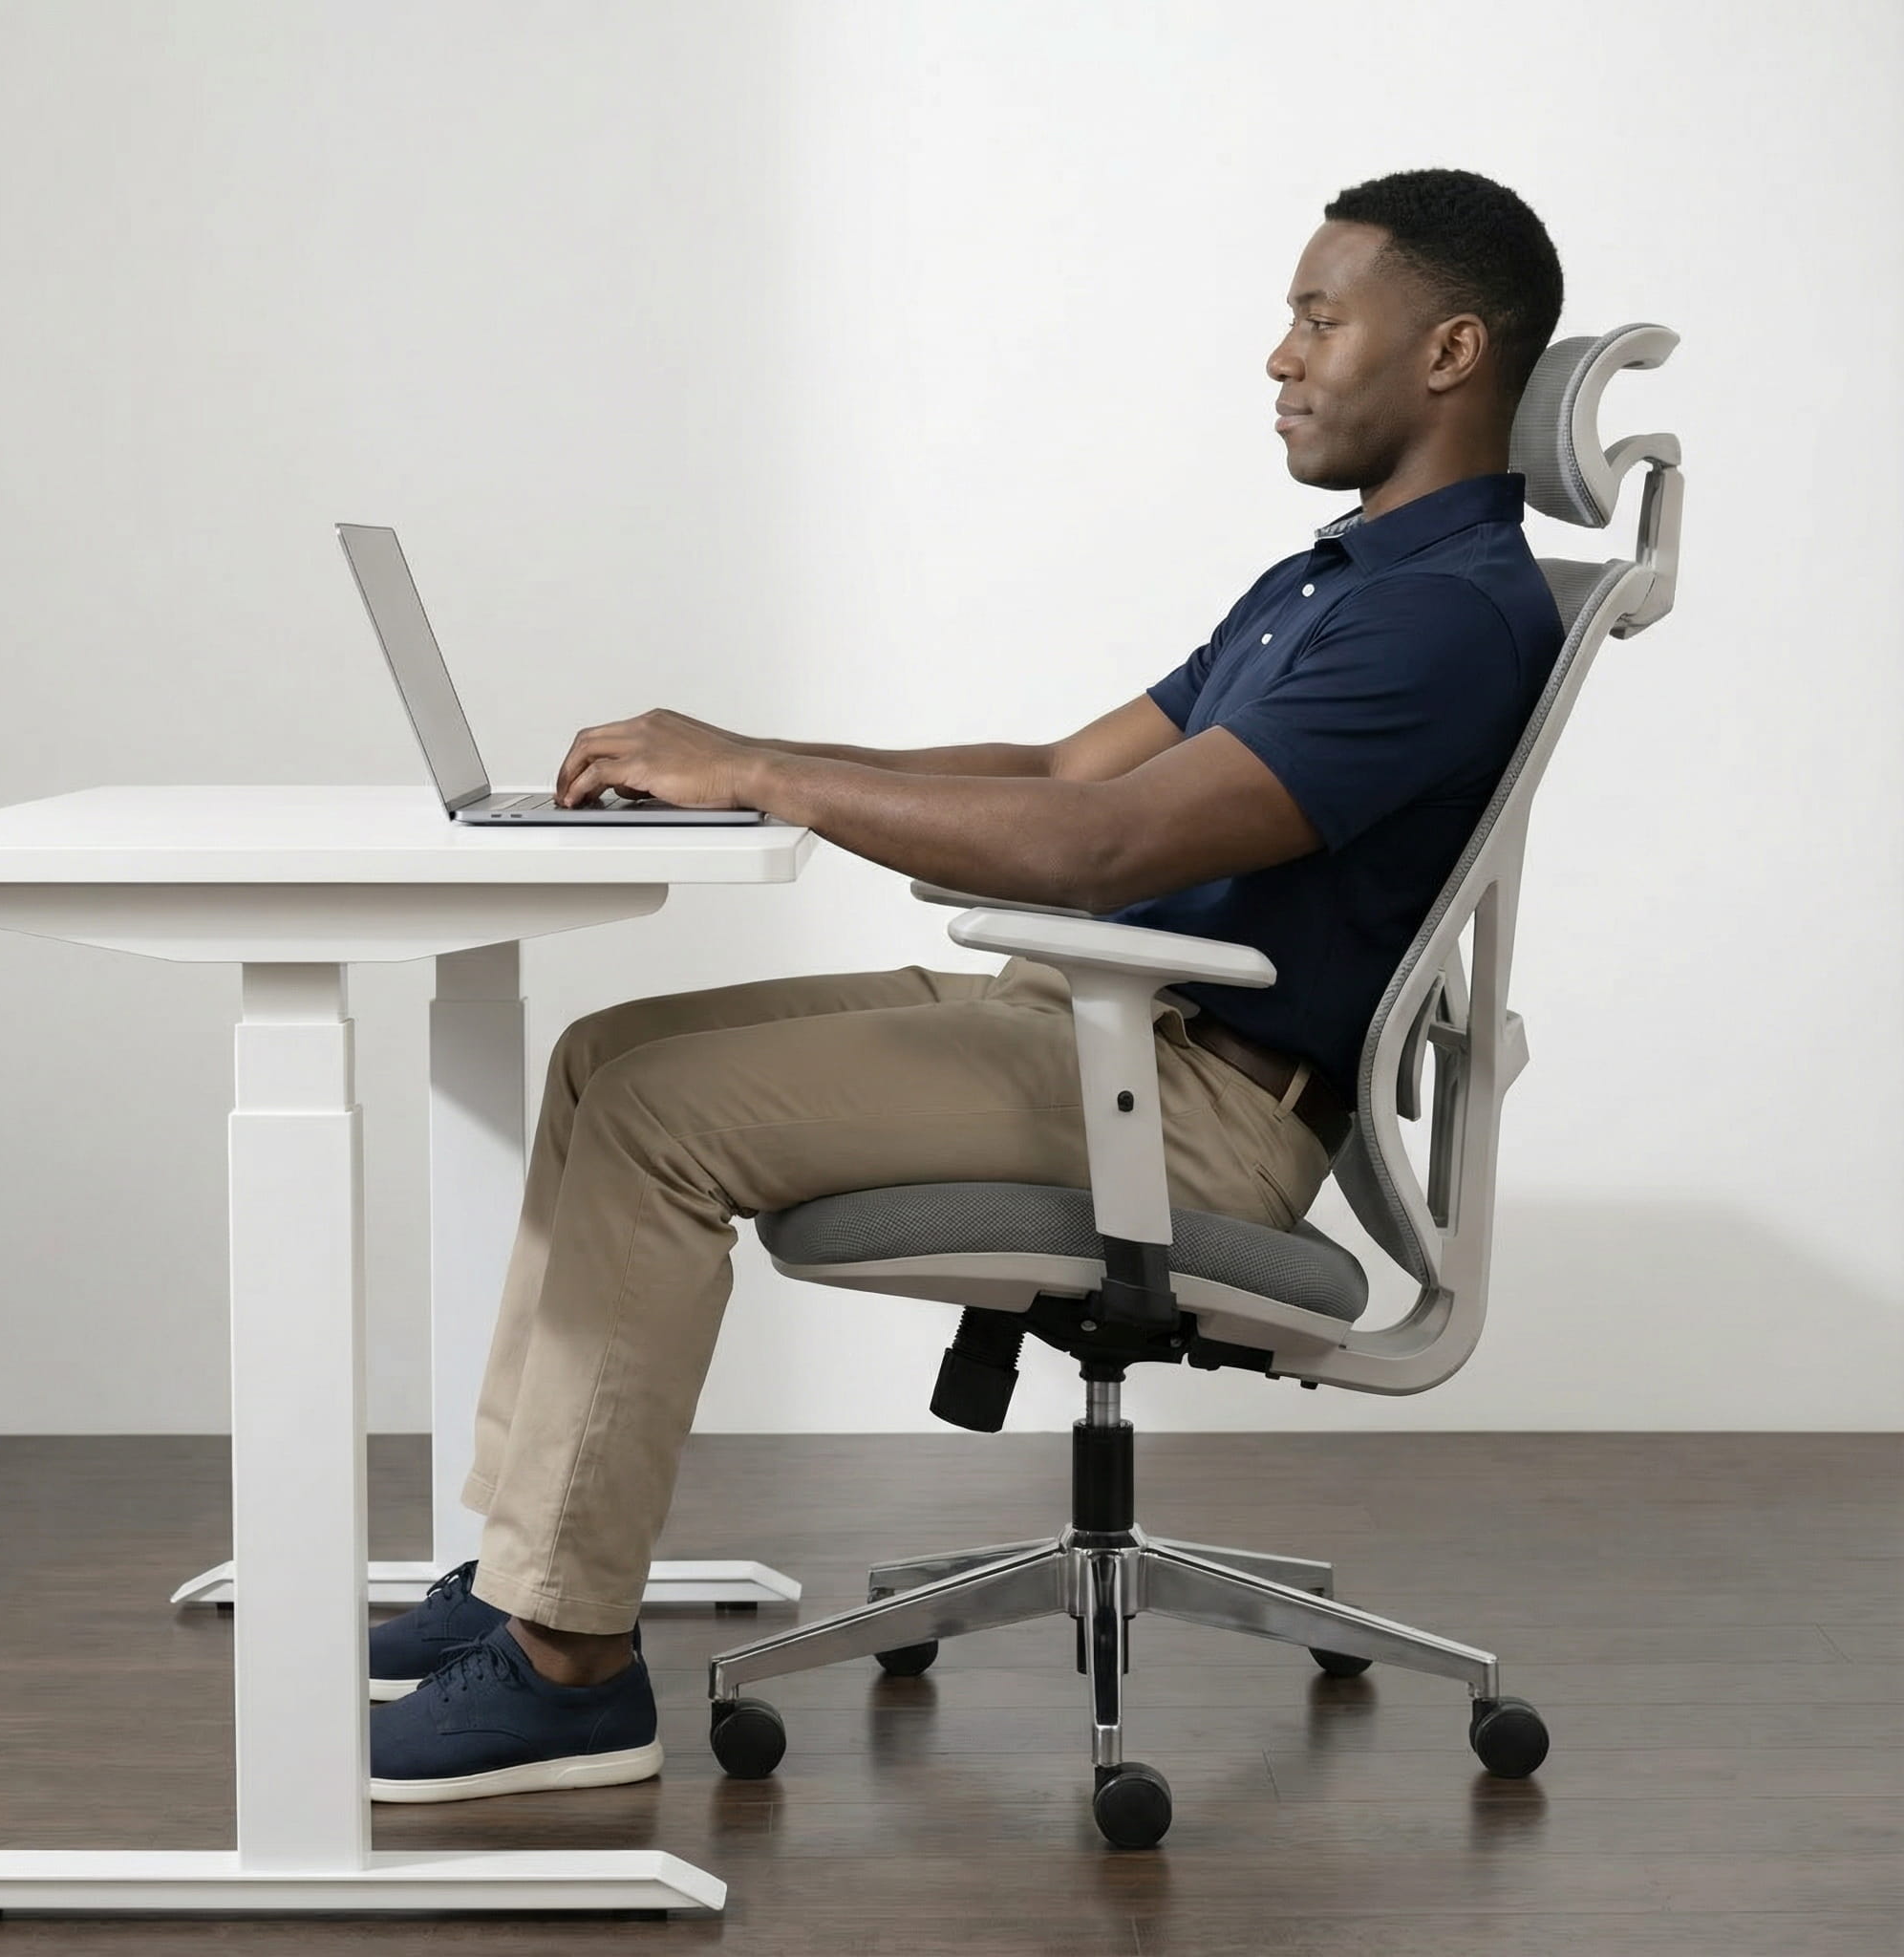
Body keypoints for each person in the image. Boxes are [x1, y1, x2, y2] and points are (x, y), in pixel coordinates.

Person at [366, 164, 1567, 1802]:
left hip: (1201, 1103)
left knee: (656, 1117)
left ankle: (569, 1672)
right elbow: (1072, 765)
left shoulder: (1441, 618)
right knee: (604, 1056)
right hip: (1109, 1033)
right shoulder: (1334, 581)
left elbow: (1096, 851)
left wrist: (765, 779)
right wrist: (744, 760)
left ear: (1449, 352)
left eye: (1315, 316)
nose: (1278, 357)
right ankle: (519, 1585)